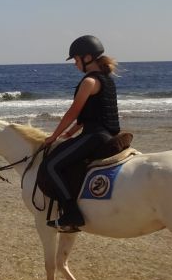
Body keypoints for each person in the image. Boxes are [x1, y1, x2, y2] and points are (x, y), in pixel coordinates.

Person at [43, 35, 120, 232]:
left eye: (76, 60)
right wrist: (69, 134)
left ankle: (71, 214)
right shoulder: (107, 79)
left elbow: (73, 111)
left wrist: (53, 136)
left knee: (51, 165)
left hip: (95, 136)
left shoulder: (89, 82)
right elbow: (90, 114)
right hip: (107, 134)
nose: (76, 64)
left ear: (87, 58)